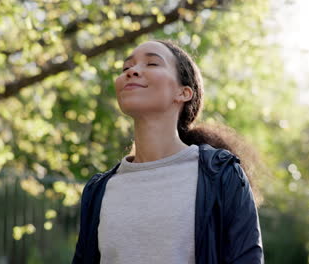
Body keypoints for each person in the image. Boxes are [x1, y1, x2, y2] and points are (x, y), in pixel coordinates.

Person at [72, 40, 264, 264]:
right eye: (126, 68)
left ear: (183, 93)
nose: (132, 71)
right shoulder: (98, 190)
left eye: (152, 63)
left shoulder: (220, 174)